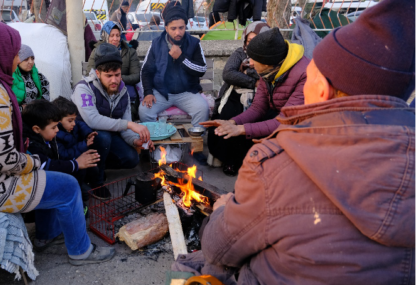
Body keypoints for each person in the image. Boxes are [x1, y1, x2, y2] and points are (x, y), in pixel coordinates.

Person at [174, 0, 416, 283]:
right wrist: (235, 123)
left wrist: (224, 209)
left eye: (315, 73)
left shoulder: (273, 166)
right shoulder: (269, 77)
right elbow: (258, 109)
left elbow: (218, 248)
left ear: (322, 90)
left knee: (195, 262)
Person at [0, 21, 114, 265]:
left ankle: (46, 236)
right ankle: (81, 251)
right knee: (67, 185)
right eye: (14, 51)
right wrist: (36, 161)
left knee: (50, 178)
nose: (16, 57)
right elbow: (5, 160)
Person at [201, 27, 308, 176]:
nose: (250, 63)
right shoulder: (270, 70)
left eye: (253, 59)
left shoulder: (304, 74)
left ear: (267, 61)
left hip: (300, 129)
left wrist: (241, 129)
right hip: (279, 118)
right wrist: (233, 122)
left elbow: (285, 122)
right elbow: (258, 108)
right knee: (240, 130)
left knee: (247, 133)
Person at [72, 43, 153, 185]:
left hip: (109, 136)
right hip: (83, 138)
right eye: (108, 76)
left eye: (117, 75)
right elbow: (93, 120)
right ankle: (95, 179)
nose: (114, 80)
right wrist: (130, 124)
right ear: (97, 73)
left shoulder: (123, 91)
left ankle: (97, 165)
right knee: (103, 138)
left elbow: (126, 128)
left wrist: (135, 141)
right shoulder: (84, 88)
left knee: (132, 158)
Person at [206, 22, 270, 174]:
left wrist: (248, 73)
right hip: (235, 93)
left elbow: (266, 78)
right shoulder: (239, 54)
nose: (252, 45)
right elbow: (228, 74)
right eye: (249, 41)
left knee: (256, 120)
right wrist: (253, 81)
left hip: (260, 96)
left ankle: (252, 162)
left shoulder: (269, 57)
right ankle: (230, 161)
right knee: (228, 116)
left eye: (257, 41)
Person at [139, 1, 209, 128]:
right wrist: (148, 92)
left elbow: (202, 69)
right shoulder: (156, 44)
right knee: (144, 111)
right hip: (161, 93)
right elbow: (146, 71)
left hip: (186, 92)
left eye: (181, 28)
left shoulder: (194, 43)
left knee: (202, 109)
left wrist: (182, 58)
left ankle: (195, 144)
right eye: (173, 28)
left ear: (185, 26)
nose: (178, 33)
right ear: (166, 28)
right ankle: (156, 142)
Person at [21, 99, 101, 205]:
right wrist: (76, 163)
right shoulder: (31, 146)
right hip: (40, 189)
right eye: (54, 127)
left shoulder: (46, 134)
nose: (57, 130)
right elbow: (46, 164)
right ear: (36, 129)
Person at [52, 97, 106, 199]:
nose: (74, 123)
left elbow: (81, 125)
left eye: (74, 120)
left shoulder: (72, 126)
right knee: (86, 194)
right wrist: (84, 144)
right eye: (70, 120)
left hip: (79, 156)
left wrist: (88, 134)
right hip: (69, 167)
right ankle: (80, 188)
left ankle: (93, 181)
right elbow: (63, 155)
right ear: (58, 120)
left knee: (94, 167)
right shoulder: (55, 135)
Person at [87, 21, 142, 120]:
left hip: (125, 89)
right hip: (102, 89)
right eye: (111, 35)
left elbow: (136, 76)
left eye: (118, 35)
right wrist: (107, 81)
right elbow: (90, 73)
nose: (115, 39)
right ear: (105, 35)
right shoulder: (97, 51)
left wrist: (117, 79)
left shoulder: (129, 52)